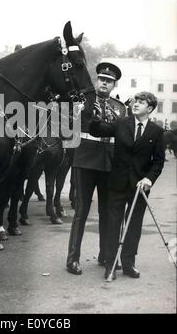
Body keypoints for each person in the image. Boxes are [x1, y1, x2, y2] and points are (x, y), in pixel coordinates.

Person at [89, 91, 165, 279]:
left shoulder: (156, 131)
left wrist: (149, 179)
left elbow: (158, 161)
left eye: (141, 102)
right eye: (135, 101)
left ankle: (129, 263)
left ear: (150, 108)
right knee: (113, 224)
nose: (136, 104)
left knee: (133, 225)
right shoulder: (121, 123)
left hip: (140, 186)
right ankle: (111, 264)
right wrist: (94, 117)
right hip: (117, 183)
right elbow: (97, 130)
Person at [67, 62, 126, 275]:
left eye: (109, 81)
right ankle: (72, 258)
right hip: (85, 161)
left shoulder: (121, 108)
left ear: (114, 85)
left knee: (107, 213)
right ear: (96, 80)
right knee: (81, 211)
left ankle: (106, 255)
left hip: (109, 164)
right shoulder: (83, 100)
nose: (104, 83)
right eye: (101, 79)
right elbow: (70, 125)